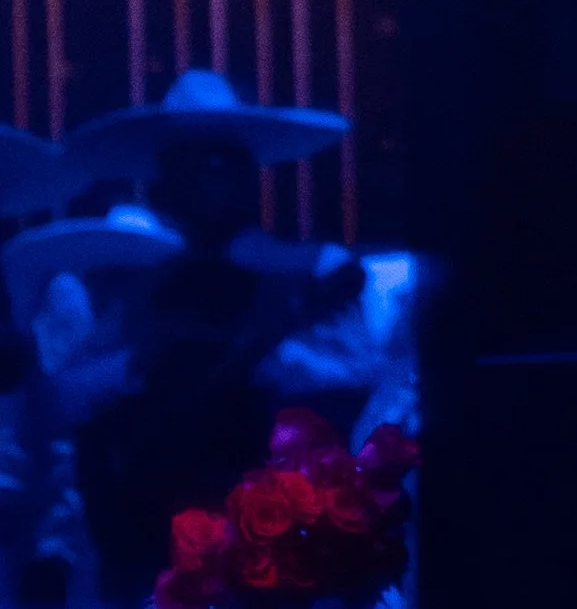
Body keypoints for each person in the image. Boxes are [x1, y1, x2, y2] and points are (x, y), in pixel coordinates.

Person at [41, 73, 372, 605]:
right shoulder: (105, 277)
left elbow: (358, 396)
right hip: (137, 544)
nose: (211, 180)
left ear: (251, 175)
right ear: (164, 178)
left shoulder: (306, 272)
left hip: (267, 547)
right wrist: (141, 366)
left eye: (225, 163)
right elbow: (52, 407)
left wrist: (281, 362)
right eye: (192, 165)